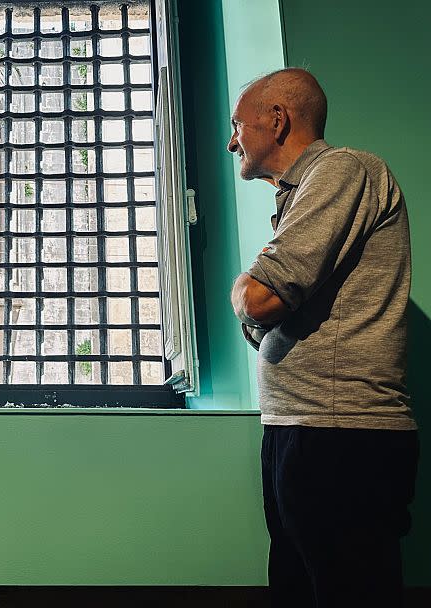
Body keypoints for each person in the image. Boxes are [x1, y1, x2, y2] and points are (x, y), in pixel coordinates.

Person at [228, 68, 419, 607]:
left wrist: (247, 291)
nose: (230, 141)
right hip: (303, 429)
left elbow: (261, 300)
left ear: (278, 118)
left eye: (237, 124)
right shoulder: (303, 195)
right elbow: (269, 310)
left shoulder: (343, 171)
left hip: (341, 437)